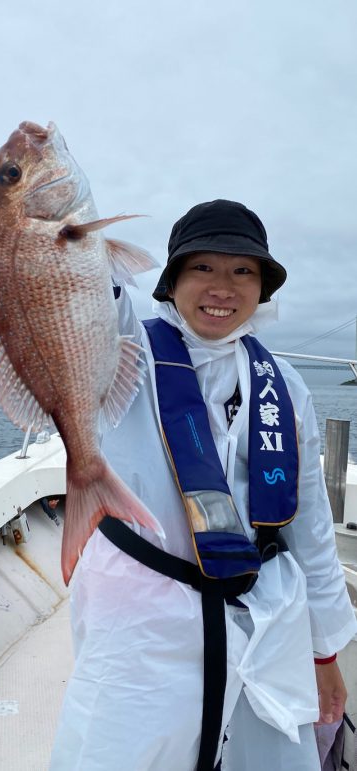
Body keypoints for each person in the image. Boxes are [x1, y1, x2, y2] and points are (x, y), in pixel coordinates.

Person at [50, 200, 357, 771]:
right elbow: (77, 294)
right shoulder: (123, 348)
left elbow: (311, 526)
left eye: (243, 271)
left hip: (266, 615)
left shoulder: (285, 385)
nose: (223, 287)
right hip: (142, 618)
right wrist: (56, 222)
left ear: (262, 288)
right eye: (203, 268)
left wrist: (324, 653)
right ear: (171, 282)